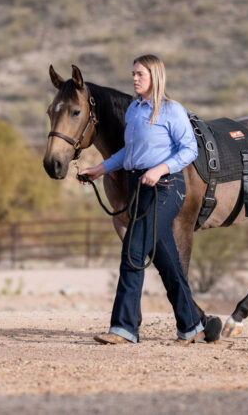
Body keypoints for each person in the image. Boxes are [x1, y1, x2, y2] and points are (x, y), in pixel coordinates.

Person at [79, 54, 215, 345]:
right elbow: (128, 154)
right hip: (138, 186)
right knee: (168, 264)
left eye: (140, 74)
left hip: (165, 187)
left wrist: (160, 168)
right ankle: (193, 326)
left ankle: (124, 328)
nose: (134, 79)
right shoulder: (133, 111)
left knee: (133, 253)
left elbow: (189, 149)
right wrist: (98, 169)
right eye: (133, 74)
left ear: (155, 76)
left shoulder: (171, 110)